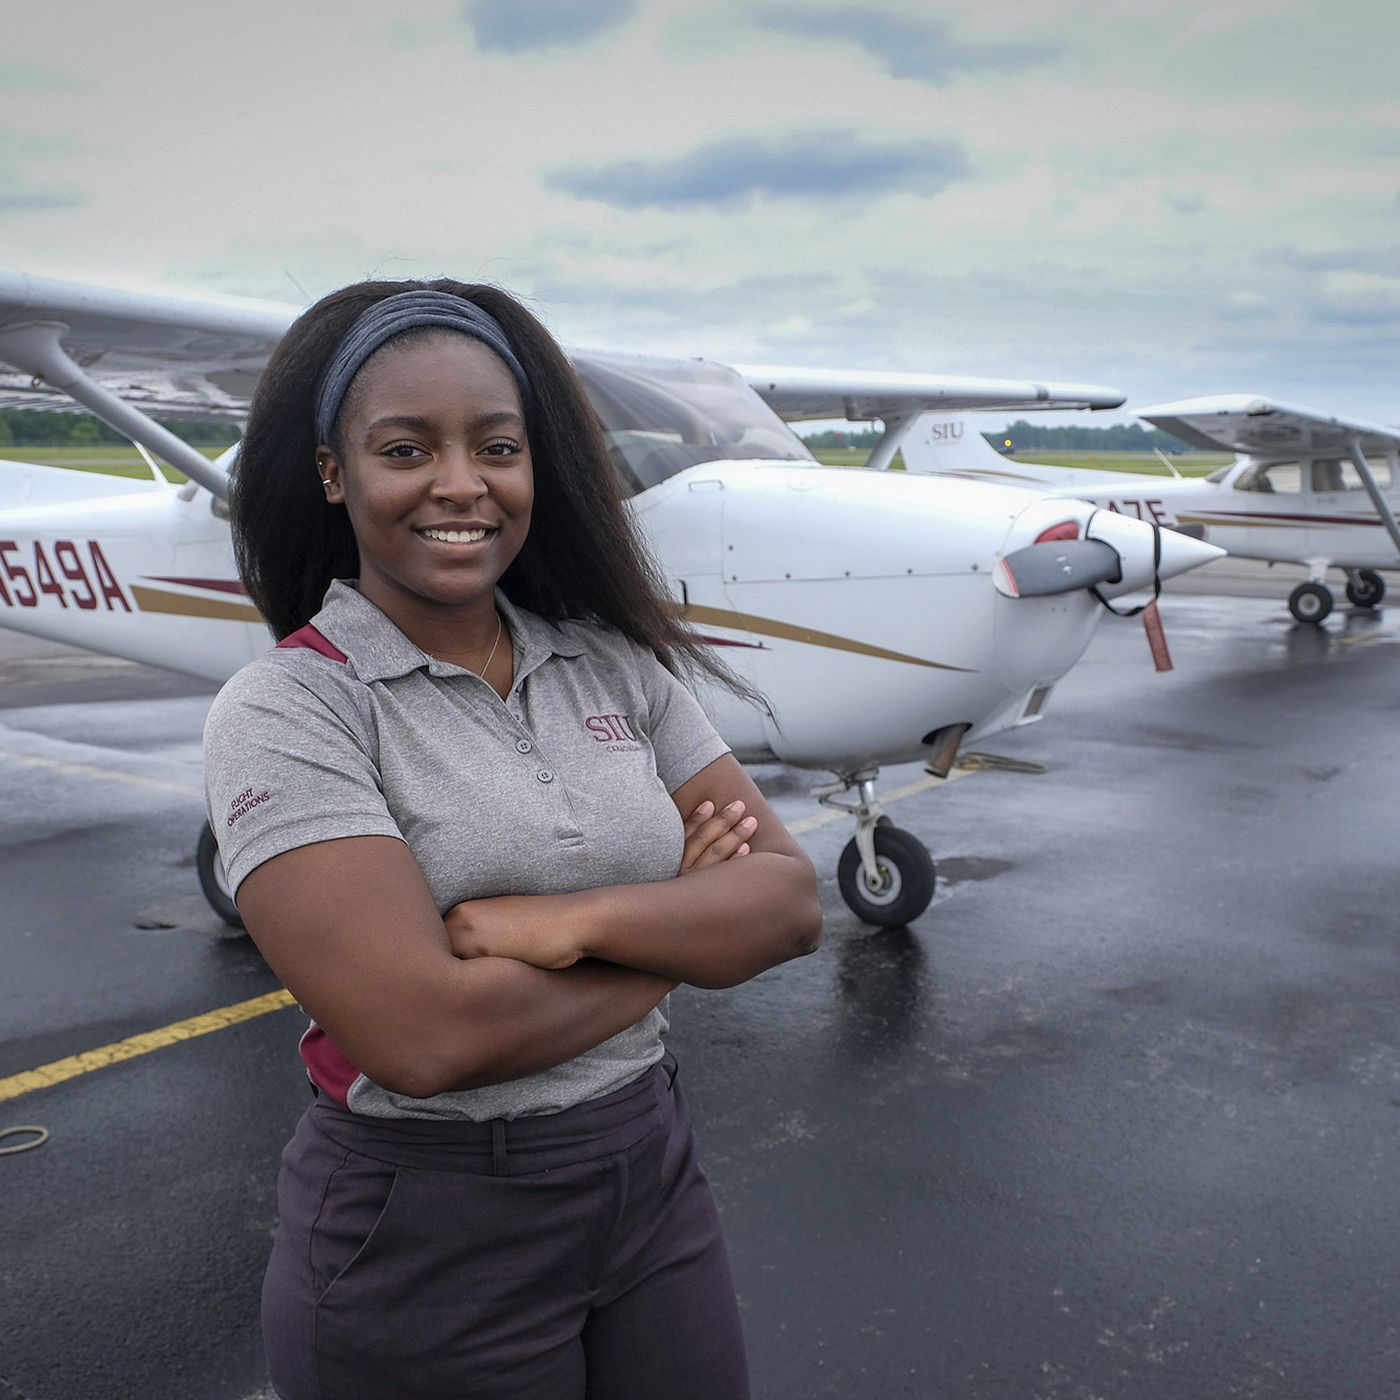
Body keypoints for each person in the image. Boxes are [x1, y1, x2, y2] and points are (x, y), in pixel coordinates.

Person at [202, 278, 823, 1400]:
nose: (461, 483)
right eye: (405, 448)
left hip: (649, 1170)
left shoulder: (614, 664)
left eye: (497, 445)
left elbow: (783, 904)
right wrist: (683, 929)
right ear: (334, 474)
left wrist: (561, 923)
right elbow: (422, 1036)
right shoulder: (291, 706)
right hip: (423, 1223)